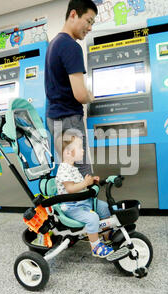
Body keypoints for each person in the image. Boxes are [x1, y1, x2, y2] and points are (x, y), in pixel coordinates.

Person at [45, 0, 98, 177]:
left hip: (54, 118)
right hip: (69, 118)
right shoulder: (71, 46)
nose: (90, 28)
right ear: (73, 14)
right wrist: (91, 96)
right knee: (82, 171)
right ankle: (87, 205)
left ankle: (72, 205)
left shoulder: (53, 44)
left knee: (69, 169)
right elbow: (80, 95)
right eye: (88, 21)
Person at [55, 131, 114, 258]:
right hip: (72, 207)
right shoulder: (64, 169)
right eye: (80, 147)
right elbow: (70, 189)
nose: (83, 150)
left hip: (83, 201)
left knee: (104, 207)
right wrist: (85, 183)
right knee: (92, 218)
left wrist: (90, 182)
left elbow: (79, 185)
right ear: (68, 152)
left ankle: (106, 235)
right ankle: (96, 246)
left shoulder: (73, 168)